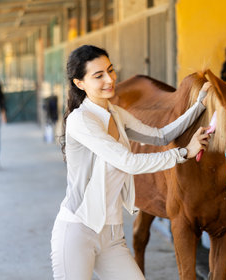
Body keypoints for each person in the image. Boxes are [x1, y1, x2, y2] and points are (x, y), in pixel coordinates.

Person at [50, 45, 211, 280]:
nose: (109, 79)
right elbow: (129, 163)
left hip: (112, 235)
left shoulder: (116, 114)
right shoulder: (81, 121)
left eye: (110, 70)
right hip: (78, 232)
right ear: (79, 83)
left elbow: (161, 136)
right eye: (98, 75)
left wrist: (200, 106)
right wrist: (184, 153)